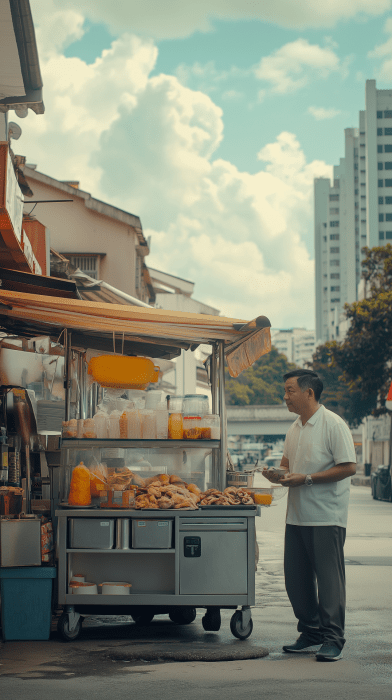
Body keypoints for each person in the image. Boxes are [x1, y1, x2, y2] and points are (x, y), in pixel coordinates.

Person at [262, 368, 356, 662]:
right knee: (296, 581)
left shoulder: (333, 424)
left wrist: (308, 479)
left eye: (290, 391)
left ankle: (333, 638)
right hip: (297, 516)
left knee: (329, 581)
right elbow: (287, 467)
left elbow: (349, 467)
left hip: (327, 516)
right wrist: (275, 475)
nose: (285, 397)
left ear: (309, 393)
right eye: (286, 391)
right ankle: (311, 630)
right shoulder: (295, 428)